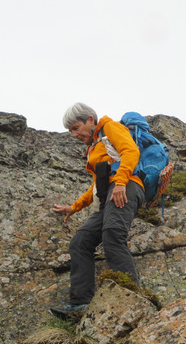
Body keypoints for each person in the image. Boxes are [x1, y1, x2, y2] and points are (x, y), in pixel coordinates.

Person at [50, 102, 145, 318]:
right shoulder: (95, 146)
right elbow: (96, 186)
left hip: (127, 186)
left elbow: (131, 151)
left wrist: (121, 183)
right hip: (111, 191)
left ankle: (130, 297)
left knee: (112, 234)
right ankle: (80, 304)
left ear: (90, 120)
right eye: (70, 131)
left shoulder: (110, 128)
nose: (74, 134)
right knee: (80, 242)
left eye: (75, 128)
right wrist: (73, 207)